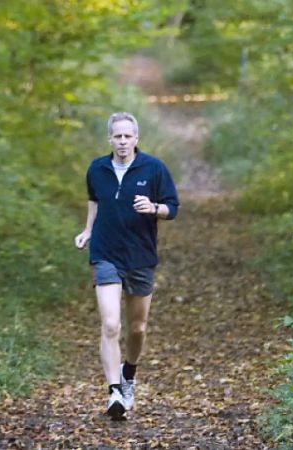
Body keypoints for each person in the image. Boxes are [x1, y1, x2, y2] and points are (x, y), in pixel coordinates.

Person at [74, 112, 179, 420]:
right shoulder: (97, 168)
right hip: (105, 252)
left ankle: (129, 373)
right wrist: (88, 230)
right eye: (117, 136)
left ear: (136, 139)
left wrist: (154, 208)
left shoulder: (154, 168)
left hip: (141, 256)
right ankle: (114, 392)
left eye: (127, 136)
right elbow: (94, 202)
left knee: (138, 328)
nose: (122, 141)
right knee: (110, 325)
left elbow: (173, 207)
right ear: (110, 139)